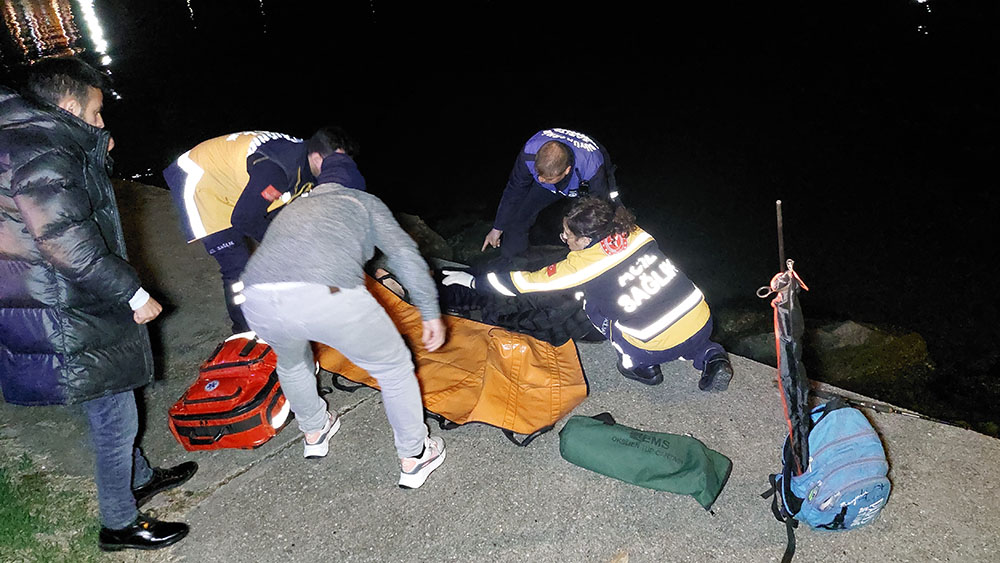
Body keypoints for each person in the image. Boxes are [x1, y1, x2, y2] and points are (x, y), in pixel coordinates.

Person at [0, 56, 196, 551]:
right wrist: (133, 293)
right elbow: (67, 239)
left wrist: (93, 149)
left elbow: (71, 200)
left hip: (48, 294)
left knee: (107, 396)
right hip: (65, 302)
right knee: (115, 414)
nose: (101, 120)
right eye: (95, 112)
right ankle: (119, 523)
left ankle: (139, 477)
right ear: (69, 106)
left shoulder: (30, 138)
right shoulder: (42, 152)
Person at [238, 126, 448, 489]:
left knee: (291, 362)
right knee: (394, 368)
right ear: (357, 183)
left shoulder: (295, 205)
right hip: (328, 293)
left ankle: (315, 430)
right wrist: (430, 311)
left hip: (257, 295)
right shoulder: (365, 202)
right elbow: (404, 254)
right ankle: (415, 455)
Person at [450, 197, 734, 390]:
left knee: (592, 305)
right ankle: (711, 355)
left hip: (654, 344)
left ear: (585, 239)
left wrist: (473, 282)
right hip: (701, 319)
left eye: (567, 235)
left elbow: (522, 283)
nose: (564, 239)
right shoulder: (636, 233)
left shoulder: (581, 267)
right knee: (676, 325)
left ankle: (641, 366)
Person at [162, 127, 363, 333]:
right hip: (201, 179)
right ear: (317, 158)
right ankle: (245, 331)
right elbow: (244, 219)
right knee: (237, 265)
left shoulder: (313, 165)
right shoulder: (277, 171)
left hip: (245, 180)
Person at [482, 128, 619, 262]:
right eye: (538, 173)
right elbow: (514, 191)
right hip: (552, 179)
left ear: (567, 170)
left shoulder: (592, 168)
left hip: (583, 181)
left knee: (590, 223)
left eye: (547, 178)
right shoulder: (529, 153)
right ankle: (513, 260)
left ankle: (589, 258)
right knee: (519, 216)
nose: (540, 180)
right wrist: (497, 228)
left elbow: (599, 211)